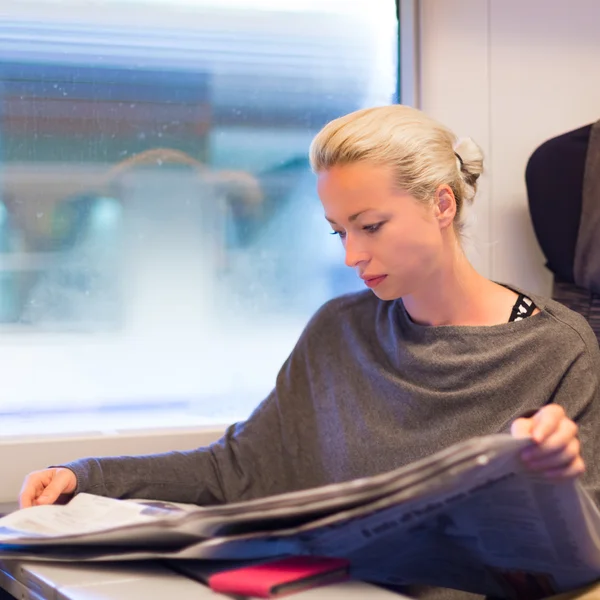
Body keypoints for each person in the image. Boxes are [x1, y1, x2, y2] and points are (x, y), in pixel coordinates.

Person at [18, 105, 600, 597]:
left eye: (370, 226)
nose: (351, 255)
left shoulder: (557, 349)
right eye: (338, 231)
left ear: (441, 205)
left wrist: (554, 481)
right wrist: (85, 475)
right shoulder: (339, 330)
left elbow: (584, 555)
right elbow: (238, 468)